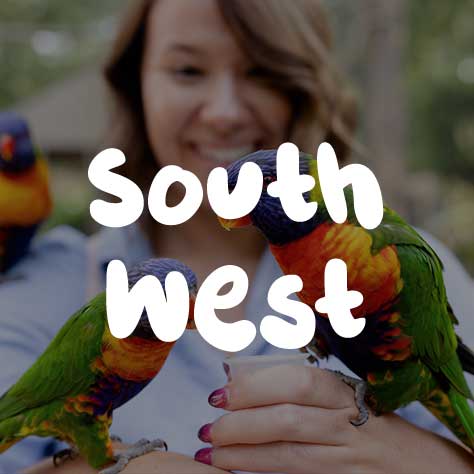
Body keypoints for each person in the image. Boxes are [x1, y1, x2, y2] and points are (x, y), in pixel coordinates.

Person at [1, 0, 474, 473]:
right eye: (187, 70)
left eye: (262, 72)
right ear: (136, 85)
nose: (224, 112)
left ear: (301, 87)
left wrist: (426, 461)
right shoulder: (51, 285)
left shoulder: (404, 263)